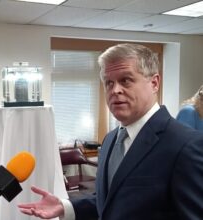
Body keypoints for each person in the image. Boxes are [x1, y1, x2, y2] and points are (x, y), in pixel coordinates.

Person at [18, 43, 203, 219]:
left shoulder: (186, 145)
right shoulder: (110, 140)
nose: (115, 90)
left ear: (154, 83)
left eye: (126, 80)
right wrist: (65, 207)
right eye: (108, 83)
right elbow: (110, 202)